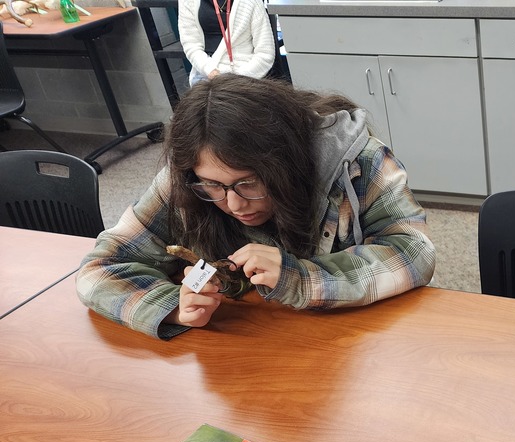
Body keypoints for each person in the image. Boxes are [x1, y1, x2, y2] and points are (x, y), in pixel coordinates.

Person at [77, 74, 436, 339]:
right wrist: (172, 306)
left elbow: (413, 252)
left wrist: (300, 277)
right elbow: (100, 267)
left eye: (248, 183)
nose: (233, 204)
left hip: (358, 345)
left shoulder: (360, 162)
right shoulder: (190, 178)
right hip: (255, 346)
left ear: (284, 162)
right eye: (215, 186)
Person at [178, 0, 276, 86]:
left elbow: (265, 53)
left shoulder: (251, 2)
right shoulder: (188, 2)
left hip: (247, 74)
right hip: (207, 73)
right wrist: (210, 71)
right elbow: (191, 45)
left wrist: (237, 79)